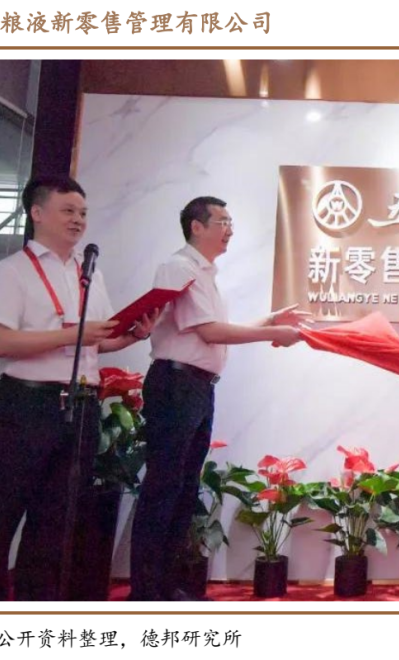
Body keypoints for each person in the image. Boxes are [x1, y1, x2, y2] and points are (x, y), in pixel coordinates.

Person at [0, 175, 157, 600]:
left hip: (80, 406)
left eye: (83, 213)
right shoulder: (9, 272)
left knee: (56, 520)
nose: (78, 220)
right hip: (26, 404)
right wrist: (73, 334)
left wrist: (132, 336)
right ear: (37, 213)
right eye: (68, 211)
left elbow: (94, 341)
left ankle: (40, 611)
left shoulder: (89, 275)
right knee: (0, 517)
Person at [129, 196, 310, 601]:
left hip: (196, 387)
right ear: (196, 226)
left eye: (231, 222)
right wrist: (272, 334)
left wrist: (270, 321)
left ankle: (167, 587)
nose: (230, 230)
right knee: (164, 488)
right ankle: (146, 592)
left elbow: (214, 329)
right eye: (222, 222)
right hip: (175, 385)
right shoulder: (179, 267)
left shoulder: (205, 274)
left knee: (183, 489)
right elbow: (210, 332)